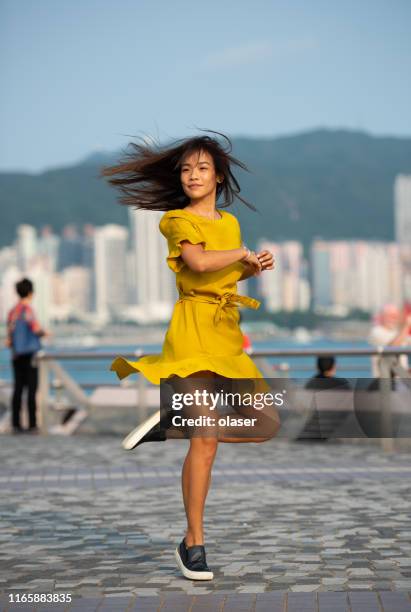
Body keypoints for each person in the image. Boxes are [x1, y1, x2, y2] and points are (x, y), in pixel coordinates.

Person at [103, 131, 280, 581]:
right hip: (190, 331)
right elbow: (199, 265)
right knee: (205, 443)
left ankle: (171, 425)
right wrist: (239, 255)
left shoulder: (230, 223)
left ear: (218, 176)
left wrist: (250, 266)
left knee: (264, 424)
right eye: (186, 169)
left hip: (225, 333)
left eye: (202, 168)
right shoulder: (176, 221)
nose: (193, 175)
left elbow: (224, 275)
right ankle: (193, 543)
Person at [5, 278, 50, 434]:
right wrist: (46, 333)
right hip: (30, 355)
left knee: (18, 389)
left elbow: (9, 336)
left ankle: (16, 424)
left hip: (16, 355)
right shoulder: (28, 310)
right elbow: (36, 328)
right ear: (31, 292)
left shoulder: (12, 312)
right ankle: (32, 424)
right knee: (32, 389)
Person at [368, 304, 411, 378]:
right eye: (390, 315)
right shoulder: (376, 332)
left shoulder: (398, 333)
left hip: (403, 380)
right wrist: (407, 325)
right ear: (382, 316)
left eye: (396, 316)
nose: (393, 318)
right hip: (384, 380)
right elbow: (392, 348)